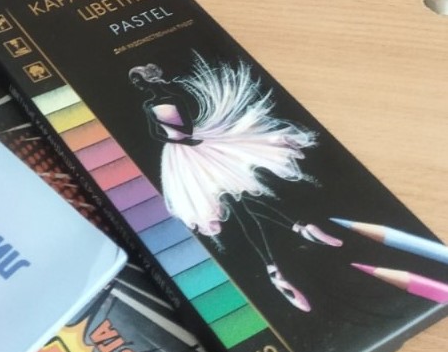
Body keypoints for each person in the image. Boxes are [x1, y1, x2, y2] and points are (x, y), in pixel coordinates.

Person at [129, 59, 343, 313]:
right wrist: (178, 138)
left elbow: (187, 126)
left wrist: (180, 135)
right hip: (182, 155)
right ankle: (299, 230)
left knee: (241, 203)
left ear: (149, 78)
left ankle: (276, 264)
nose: (138, 86)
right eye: (135, 83)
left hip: (199, 149)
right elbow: (155, 133)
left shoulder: (173, 96)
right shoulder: (148, 104)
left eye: (139, 80)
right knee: (241, 203)